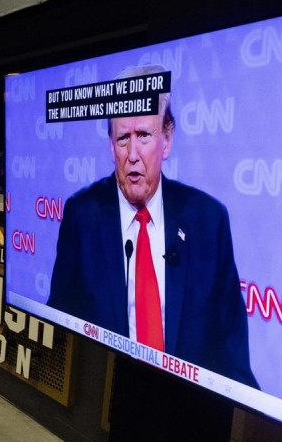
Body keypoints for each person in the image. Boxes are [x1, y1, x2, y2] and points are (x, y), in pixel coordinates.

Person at [47, 65, 257, 387]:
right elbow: (57, 327)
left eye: (144, 135)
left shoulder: (208, 221)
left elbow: (233, 358)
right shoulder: (82, 216)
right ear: (110, 145)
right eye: (122, 139)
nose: (132, 155)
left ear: (167, 139)